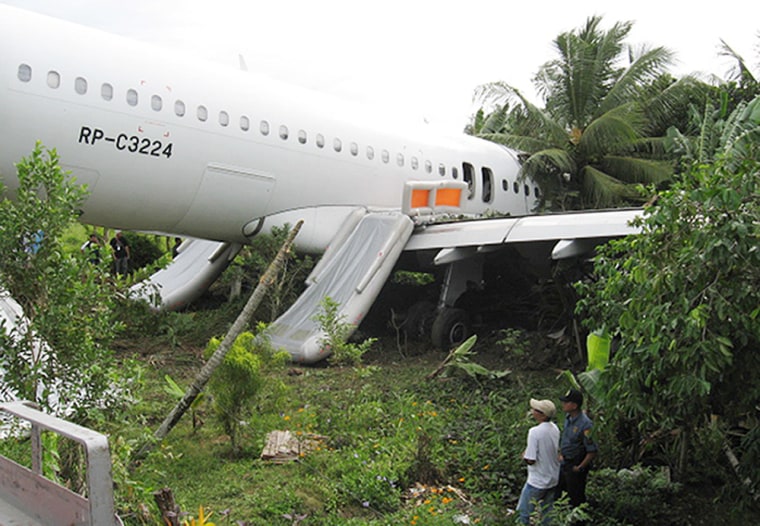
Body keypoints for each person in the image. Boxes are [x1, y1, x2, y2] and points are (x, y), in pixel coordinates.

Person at [516, 398, 560, 525]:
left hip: (537, 480)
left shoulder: (534, 432)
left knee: (523, 513)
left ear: (542, 415)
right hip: (552, 478)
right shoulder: (554, 428)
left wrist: (524, 455)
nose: (532, 411)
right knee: (548, 513)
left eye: (535, 410)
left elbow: (530, 459)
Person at [557, 388, 597, 508]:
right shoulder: (568, 419)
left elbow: (592, 450)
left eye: (566, 402)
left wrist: (580, 467)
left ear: (574, 406)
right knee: (560, 494)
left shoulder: (585, 424)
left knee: (576, 497)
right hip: (565, 462)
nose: (563, 404)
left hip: (576, 463)